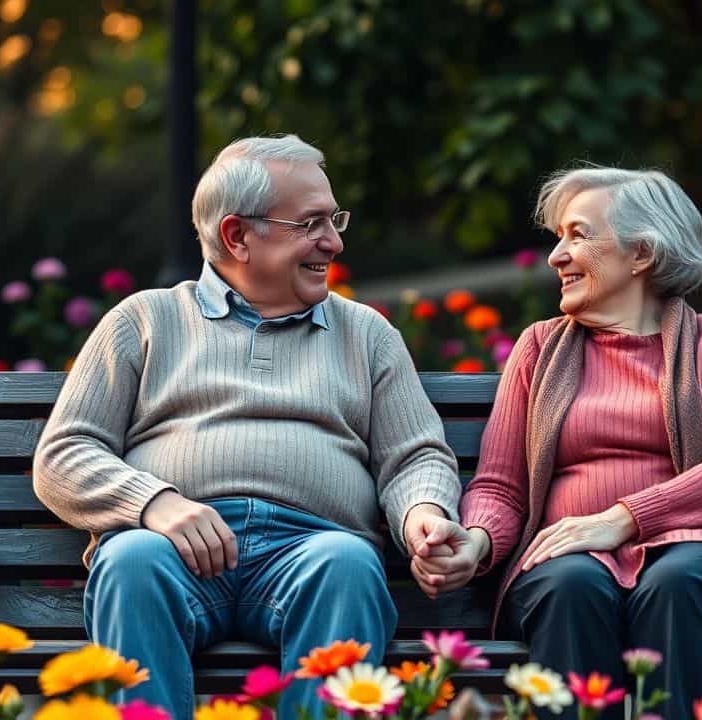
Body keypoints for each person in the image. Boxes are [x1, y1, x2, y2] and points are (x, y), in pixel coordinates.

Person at [33, 134, 469, 719]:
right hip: (171, 550)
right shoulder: (146, 319)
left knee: (348, 564)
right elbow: (64, 453)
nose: (334, 242)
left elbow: (414, 457)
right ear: (238, 235)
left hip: (312, 549)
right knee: (130, 561)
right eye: (311, 224)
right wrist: (155, 504)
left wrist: (423, 514)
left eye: (334, 219)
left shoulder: (365, 333)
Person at [411, 167, 702, 720]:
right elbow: (502, 486)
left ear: (640, 253)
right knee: (571, 583)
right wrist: (478, 541)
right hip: (570, 561)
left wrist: (624, 519)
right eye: (558, 238)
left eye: (579, 235)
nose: (556, 256)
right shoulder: (538, 348)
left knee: (678, 580)